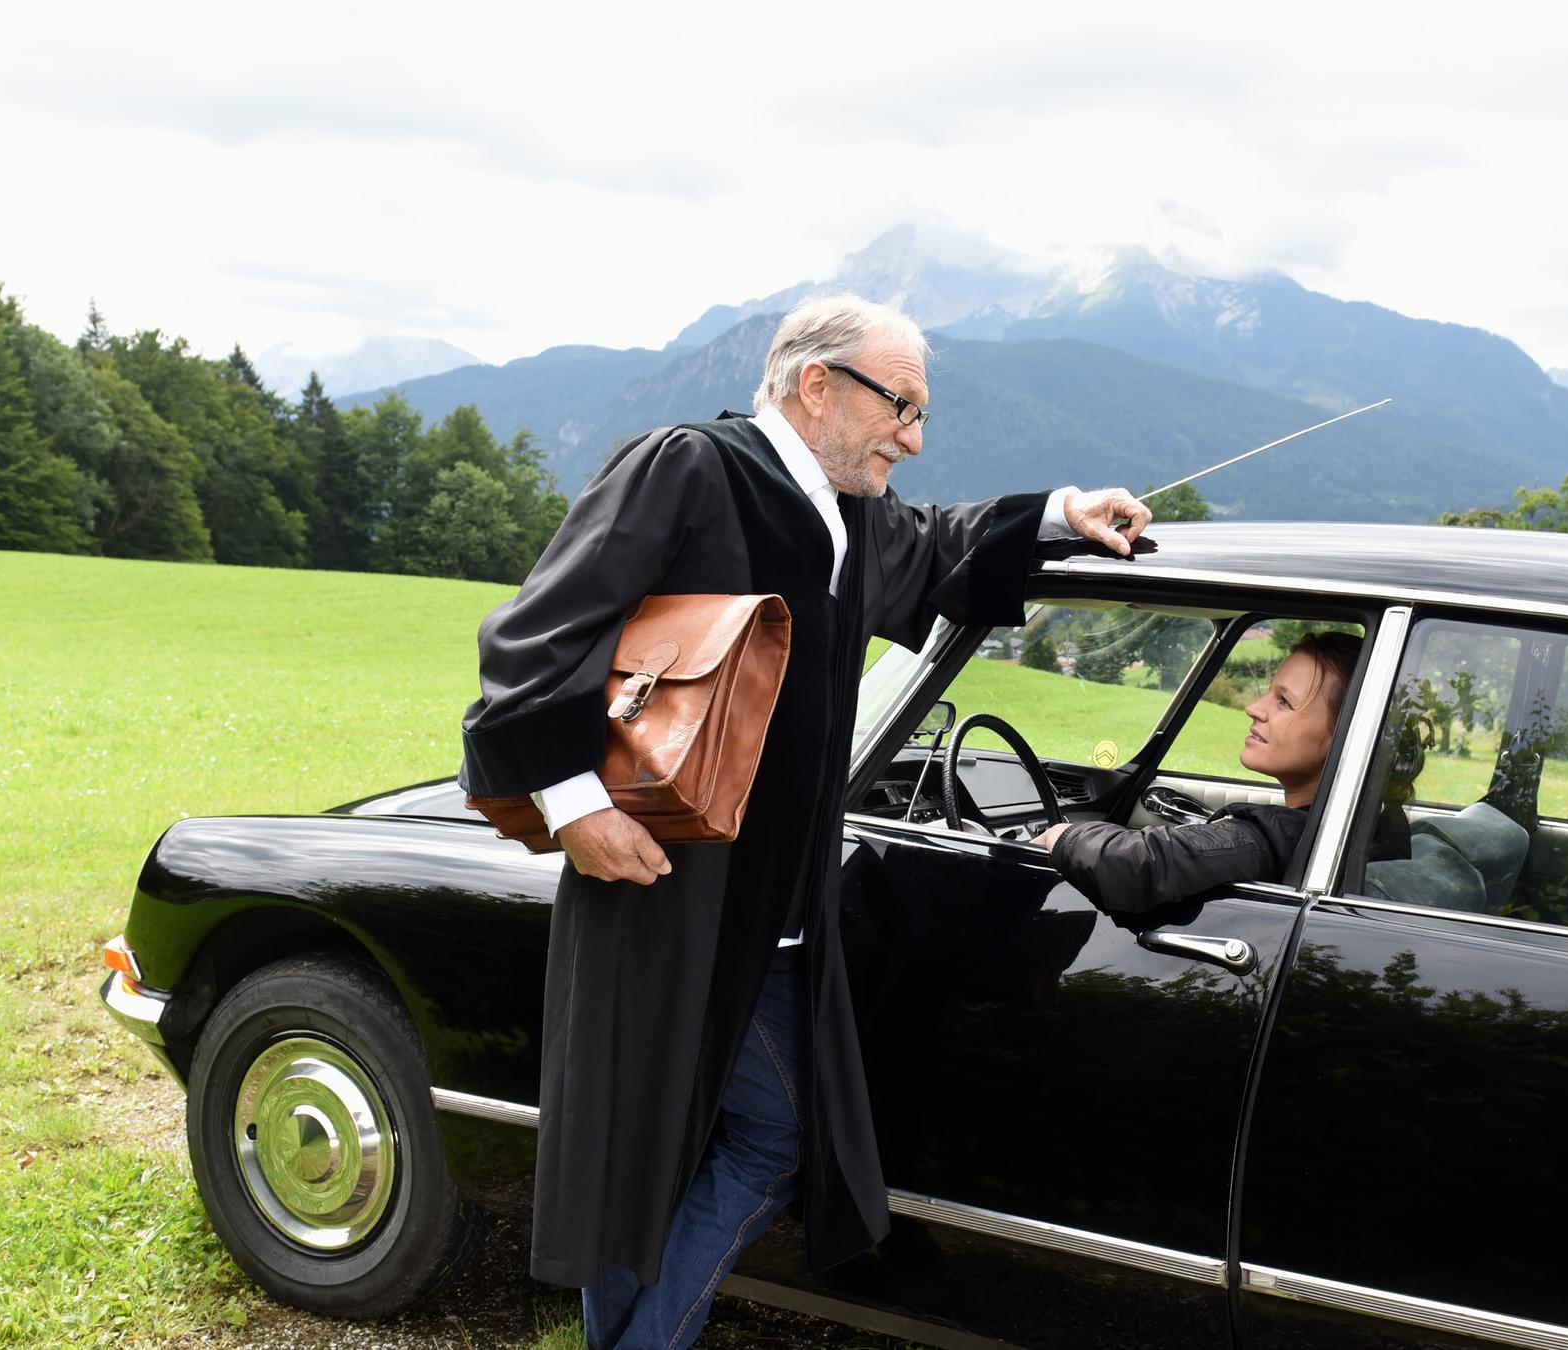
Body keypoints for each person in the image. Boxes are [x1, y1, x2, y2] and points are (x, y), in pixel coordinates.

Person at [457, 293, 1151, 1350]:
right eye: (901, 408)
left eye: (920, 415)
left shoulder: (847, 510)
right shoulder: (690, 470)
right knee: (634, 1145)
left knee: (775, 1135)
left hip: (781, 919)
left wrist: (1062, 513)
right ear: (817, 385)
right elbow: (535, 636)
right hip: (661, 886)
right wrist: (575, 805)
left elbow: (939, 542)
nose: (912, 439)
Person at [1033, 631, 1372, 910]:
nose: (1253, 708)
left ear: (1345, 736)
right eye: (1269, 692)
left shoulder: (1276, 837)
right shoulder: (1367, 827)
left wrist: (1060, 836)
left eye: (1284, 702)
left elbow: (1135, 865)